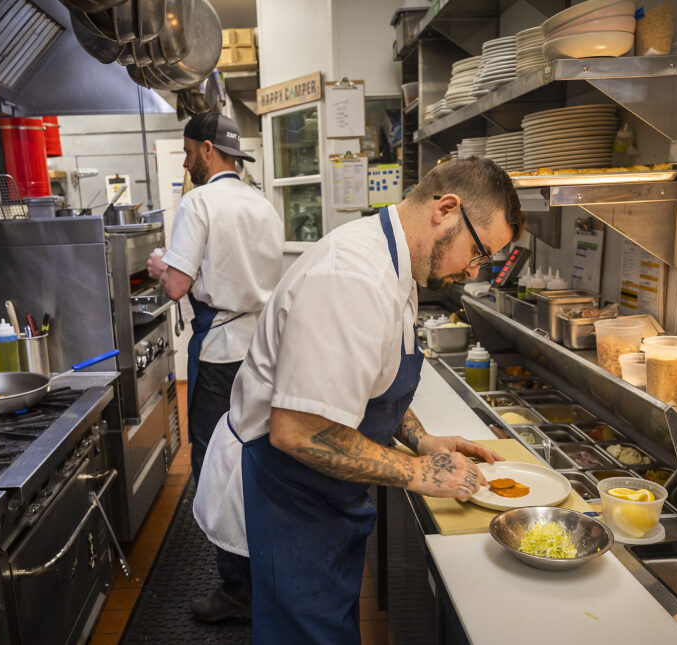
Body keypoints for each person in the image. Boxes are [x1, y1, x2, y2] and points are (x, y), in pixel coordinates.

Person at [193, 157, 524, 643]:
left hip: (321, 497)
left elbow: (366, 384)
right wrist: (416, 472)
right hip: (286, 493)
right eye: (478, 252)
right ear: (446, 209)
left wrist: (419, 438)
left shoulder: (398, 265)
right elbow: (298, 430)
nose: (474, 270)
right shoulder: (350, 277)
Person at [146, 112, 283, 622]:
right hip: (264, 349)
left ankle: (235, 591)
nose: (185, 162)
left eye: (186, 152)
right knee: (258, 459)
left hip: (221, 352)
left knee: (217, 467)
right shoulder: (262, 205)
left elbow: (178, 286)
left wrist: (162, 267)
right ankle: (264, 573)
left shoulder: (199, 202)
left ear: (207, 150)